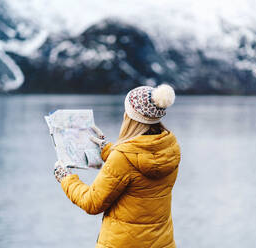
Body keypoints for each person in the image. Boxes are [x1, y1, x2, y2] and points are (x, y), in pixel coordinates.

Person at [54, 84, 181, 248]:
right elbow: (136, 168)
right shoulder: (170, 148)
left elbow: (92, 203)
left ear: (130, 117)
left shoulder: (122, 157)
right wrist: (108, 149)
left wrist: (66, 179)